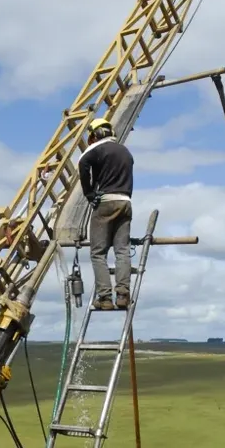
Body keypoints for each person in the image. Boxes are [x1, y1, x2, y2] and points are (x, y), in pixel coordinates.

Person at [77, 116, 135, 310]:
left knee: (98, 253)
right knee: (122, 250)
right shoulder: (125, 151)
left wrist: (89, 193)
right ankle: (123, 295)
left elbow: (82, 163)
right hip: (125, 203)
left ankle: (105, 298)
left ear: (96, 134)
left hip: (106, 204)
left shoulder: (96, 149)